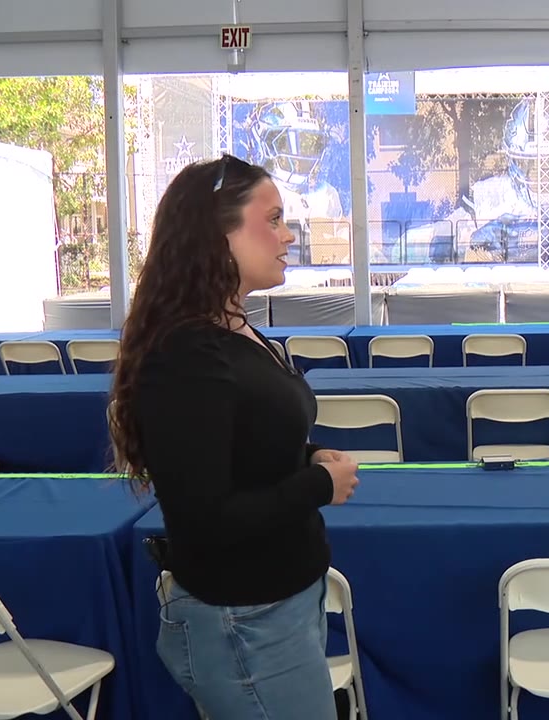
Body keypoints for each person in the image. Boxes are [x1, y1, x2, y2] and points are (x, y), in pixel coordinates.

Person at [107, 153, 360, 718]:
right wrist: (319, 484)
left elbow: (243, 442)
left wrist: (307, 454)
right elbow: (205, 518)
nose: (288, 235)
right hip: (244, 621)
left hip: (274, 609)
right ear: (216, 234)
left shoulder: (234, 331)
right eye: (271, 220)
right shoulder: (188, 354)